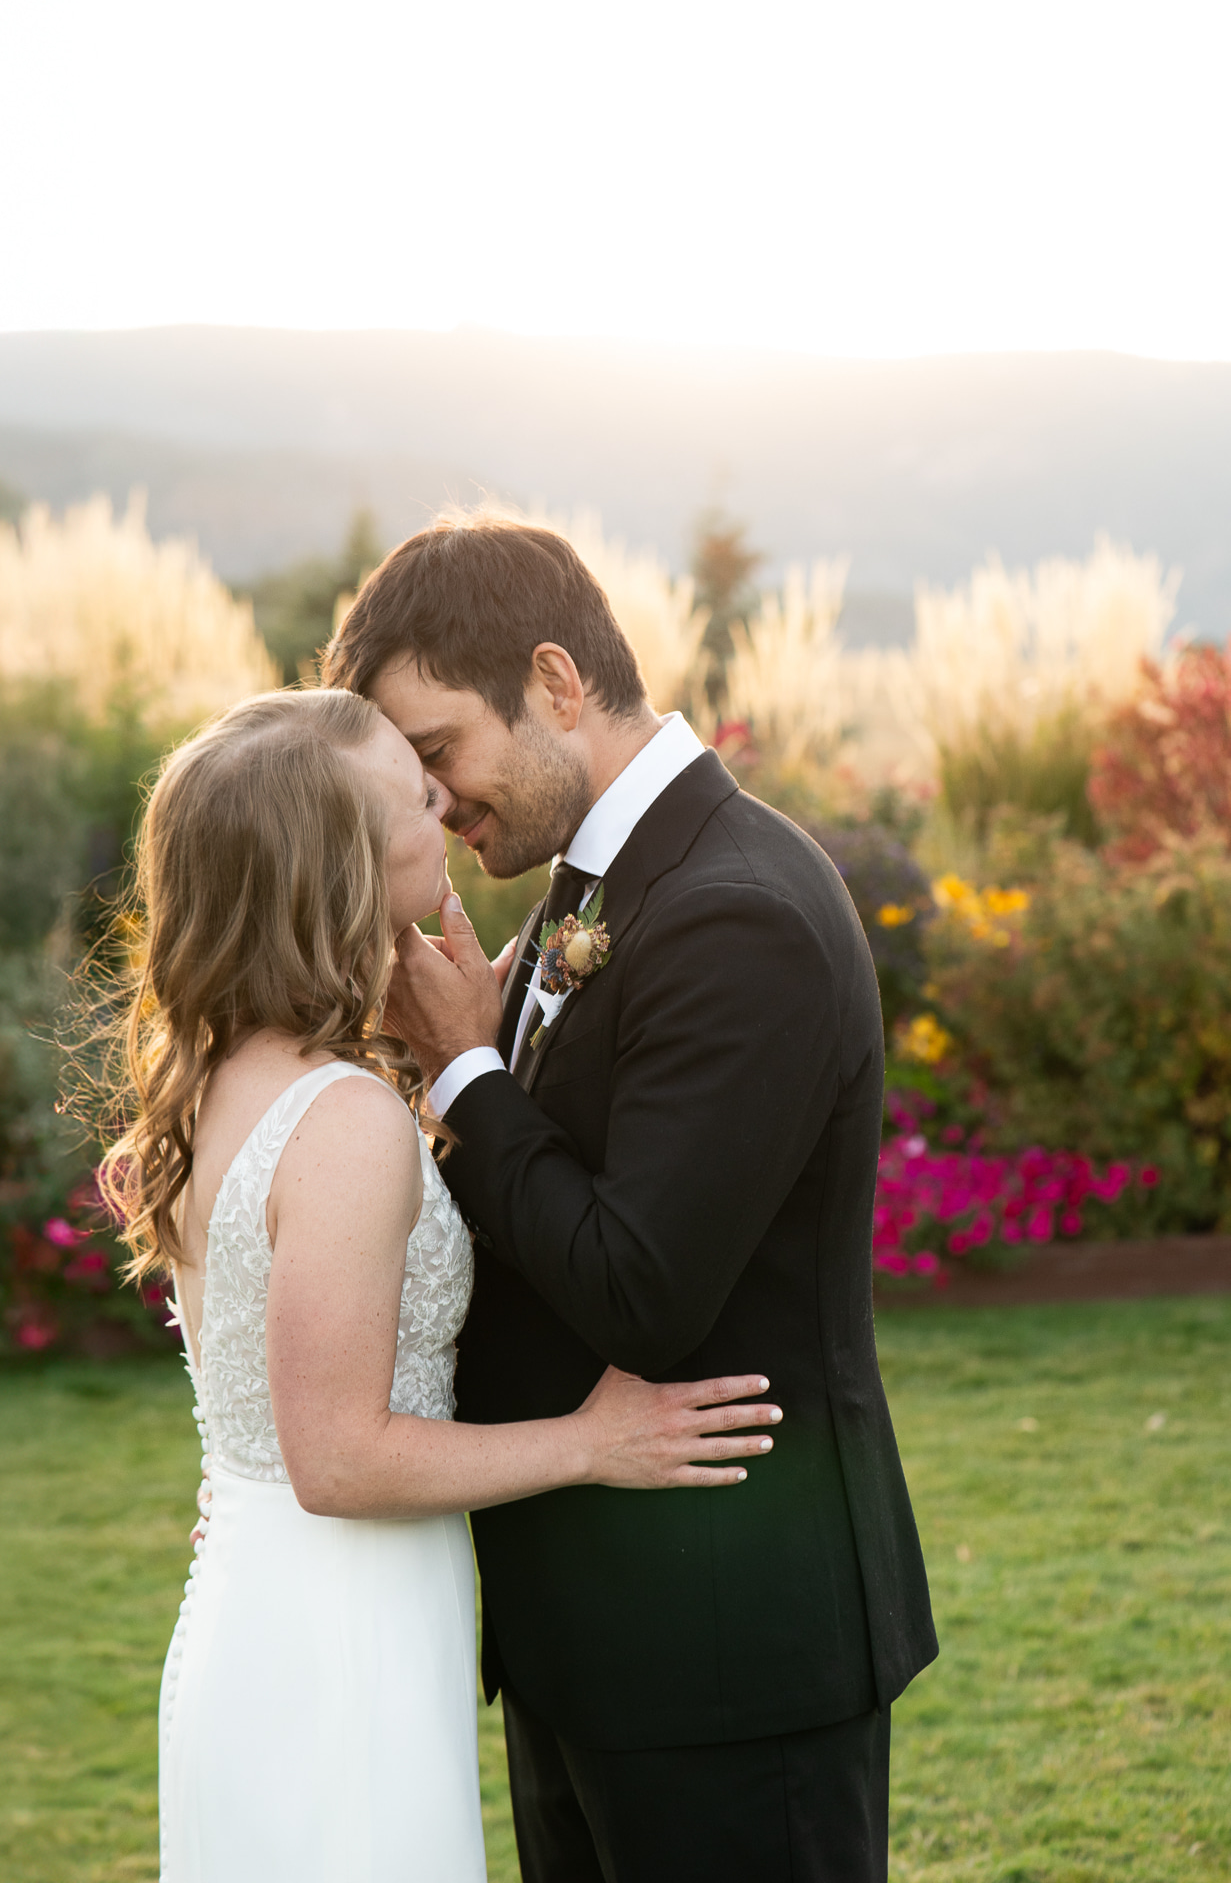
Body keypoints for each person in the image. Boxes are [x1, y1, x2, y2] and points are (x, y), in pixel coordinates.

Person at [323, 515, 939, 1883]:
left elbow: (639, 1289)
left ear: (553, 683)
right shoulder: (591, 887)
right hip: (591, 1641)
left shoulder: (735, 912)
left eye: (436, 756)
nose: (434, 805)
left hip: (725, 1649)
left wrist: (469, 1075)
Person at [97, 686, 784, 1883]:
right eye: (415, 794)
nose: (445, 802)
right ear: (346, 864)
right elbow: (341, 1457)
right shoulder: (343, 1117)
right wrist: (591, 1439)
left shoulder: (236, 1072)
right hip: (336, 1645)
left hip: (276, 1606)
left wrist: (459, 1060)